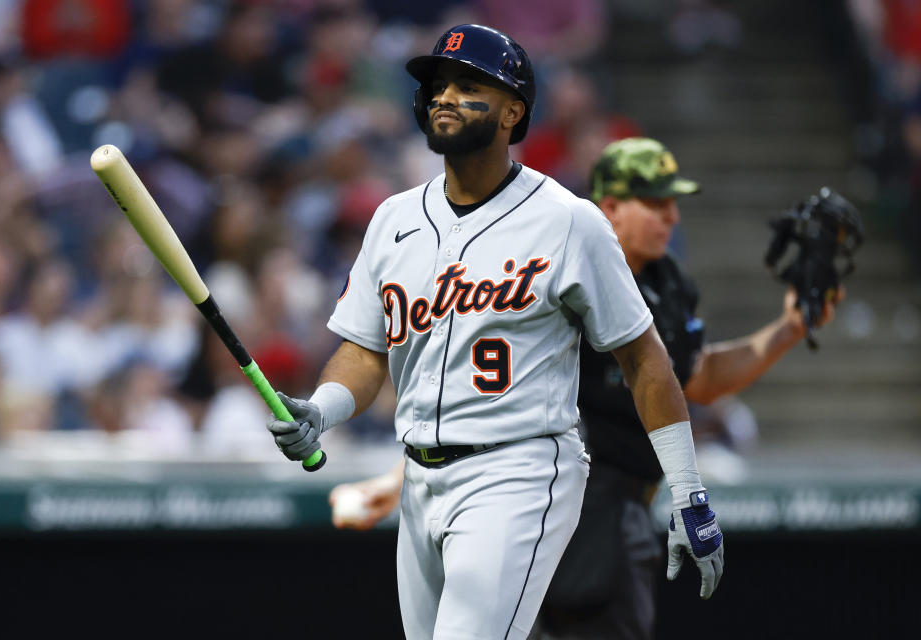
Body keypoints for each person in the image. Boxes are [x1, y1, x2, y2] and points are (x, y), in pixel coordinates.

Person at [268, 28, 723, 640]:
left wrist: (689, 491)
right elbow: (365, 351)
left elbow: (646, 360)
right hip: (420, 479)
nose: (444, 96)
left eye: (468, 85)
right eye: (437, 85)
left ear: (515, 111)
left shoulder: (568, 220)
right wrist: (320, 411)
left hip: (519, 470)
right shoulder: (394, 218)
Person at [330, 136, 844, 639]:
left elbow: (698, 378)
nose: (671, 215)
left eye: (673, 202)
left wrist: (789, 329)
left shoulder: (666, 283)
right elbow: (481, 401)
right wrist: (401, 479)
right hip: (552, 502)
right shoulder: (561, 270)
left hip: (606, 509)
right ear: (612, 207)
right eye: (655, 202)